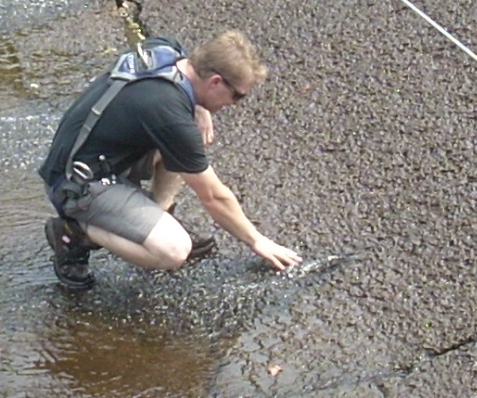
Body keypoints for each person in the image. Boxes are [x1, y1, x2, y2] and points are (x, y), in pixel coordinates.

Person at [40, 29, 302, 290]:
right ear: (215, 82)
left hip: (90, 154)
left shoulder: (167, 51)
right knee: (174, 250)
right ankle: (74, 232)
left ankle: (158, 214)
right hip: (75, 184)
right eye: (237, 96)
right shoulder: (167, 110)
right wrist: (257, 241)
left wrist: (197, 107)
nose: (236, 104)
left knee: (182, 140)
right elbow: (213, 196)